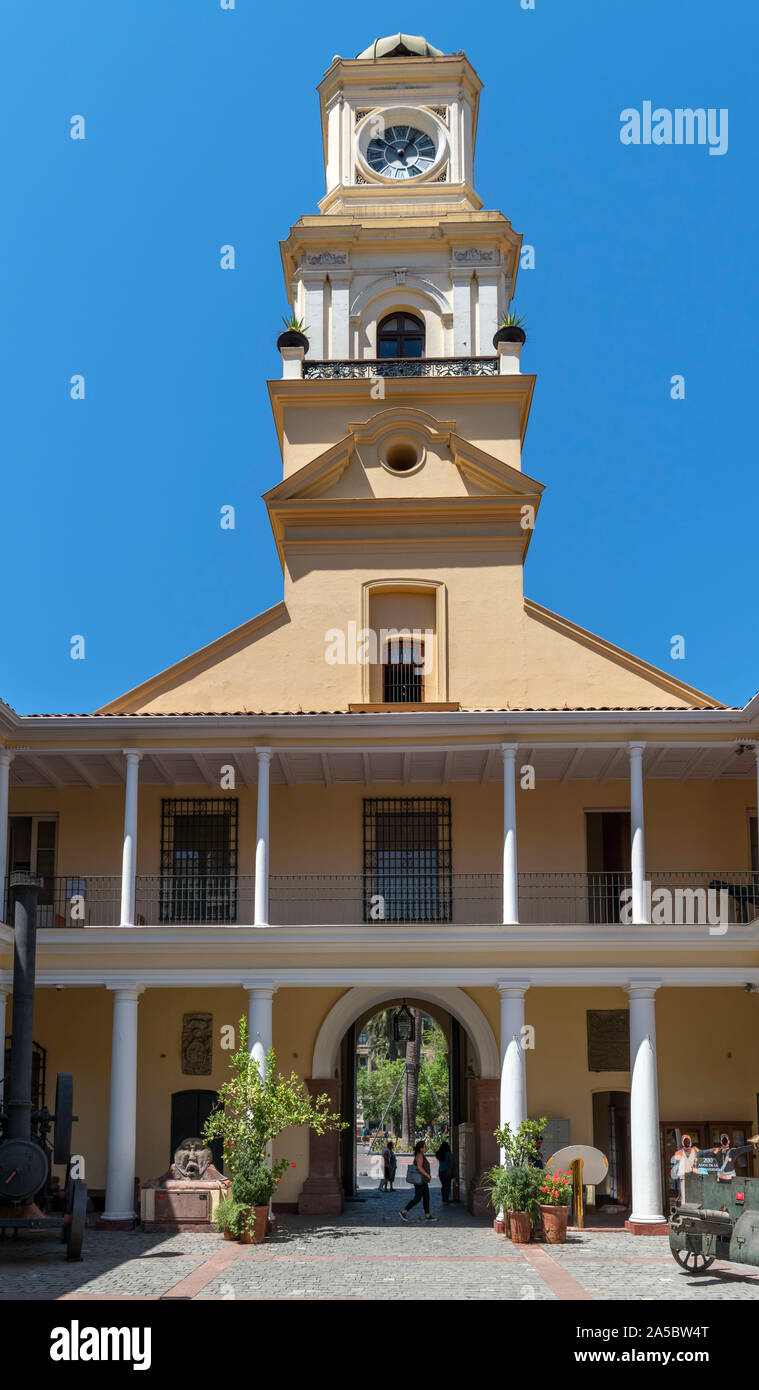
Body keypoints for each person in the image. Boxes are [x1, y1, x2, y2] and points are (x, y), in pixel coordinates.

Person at [400, 1140, 434, 1222]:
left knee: (426, 1197)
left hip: (422, 1180)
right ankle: (404, 1211)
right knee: (418, 1198)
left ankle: (427, 1215)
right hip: (420, 1180)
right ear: (421, 1148)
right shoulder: (419, 1155)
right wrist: (427, 1175)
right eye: (425, 1146)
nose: (426, 1148)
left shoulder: (421, 1155)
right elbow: (419, 1167)